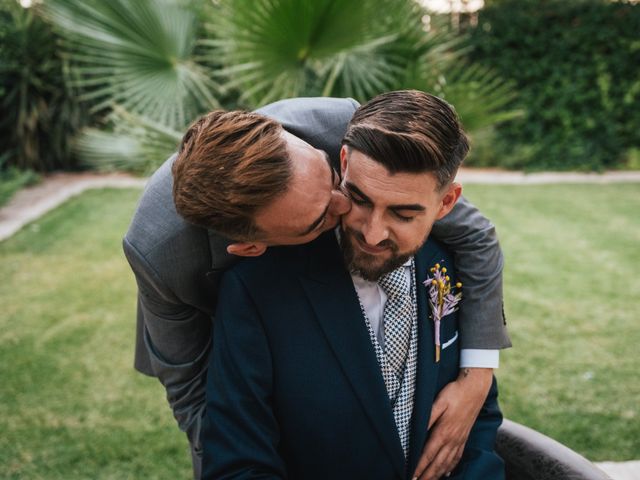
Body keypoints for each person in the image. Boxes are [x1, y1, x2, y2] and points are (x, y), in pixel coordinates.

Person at [123, 96, 511, 478]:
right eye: (320, 218)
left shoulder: (339, 125)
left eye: (335, 181)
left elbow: (474, 234)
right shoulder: (160, 256)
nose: (346, 208)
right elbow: (195, 399)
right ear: (253, 247)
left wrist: (477, 376)